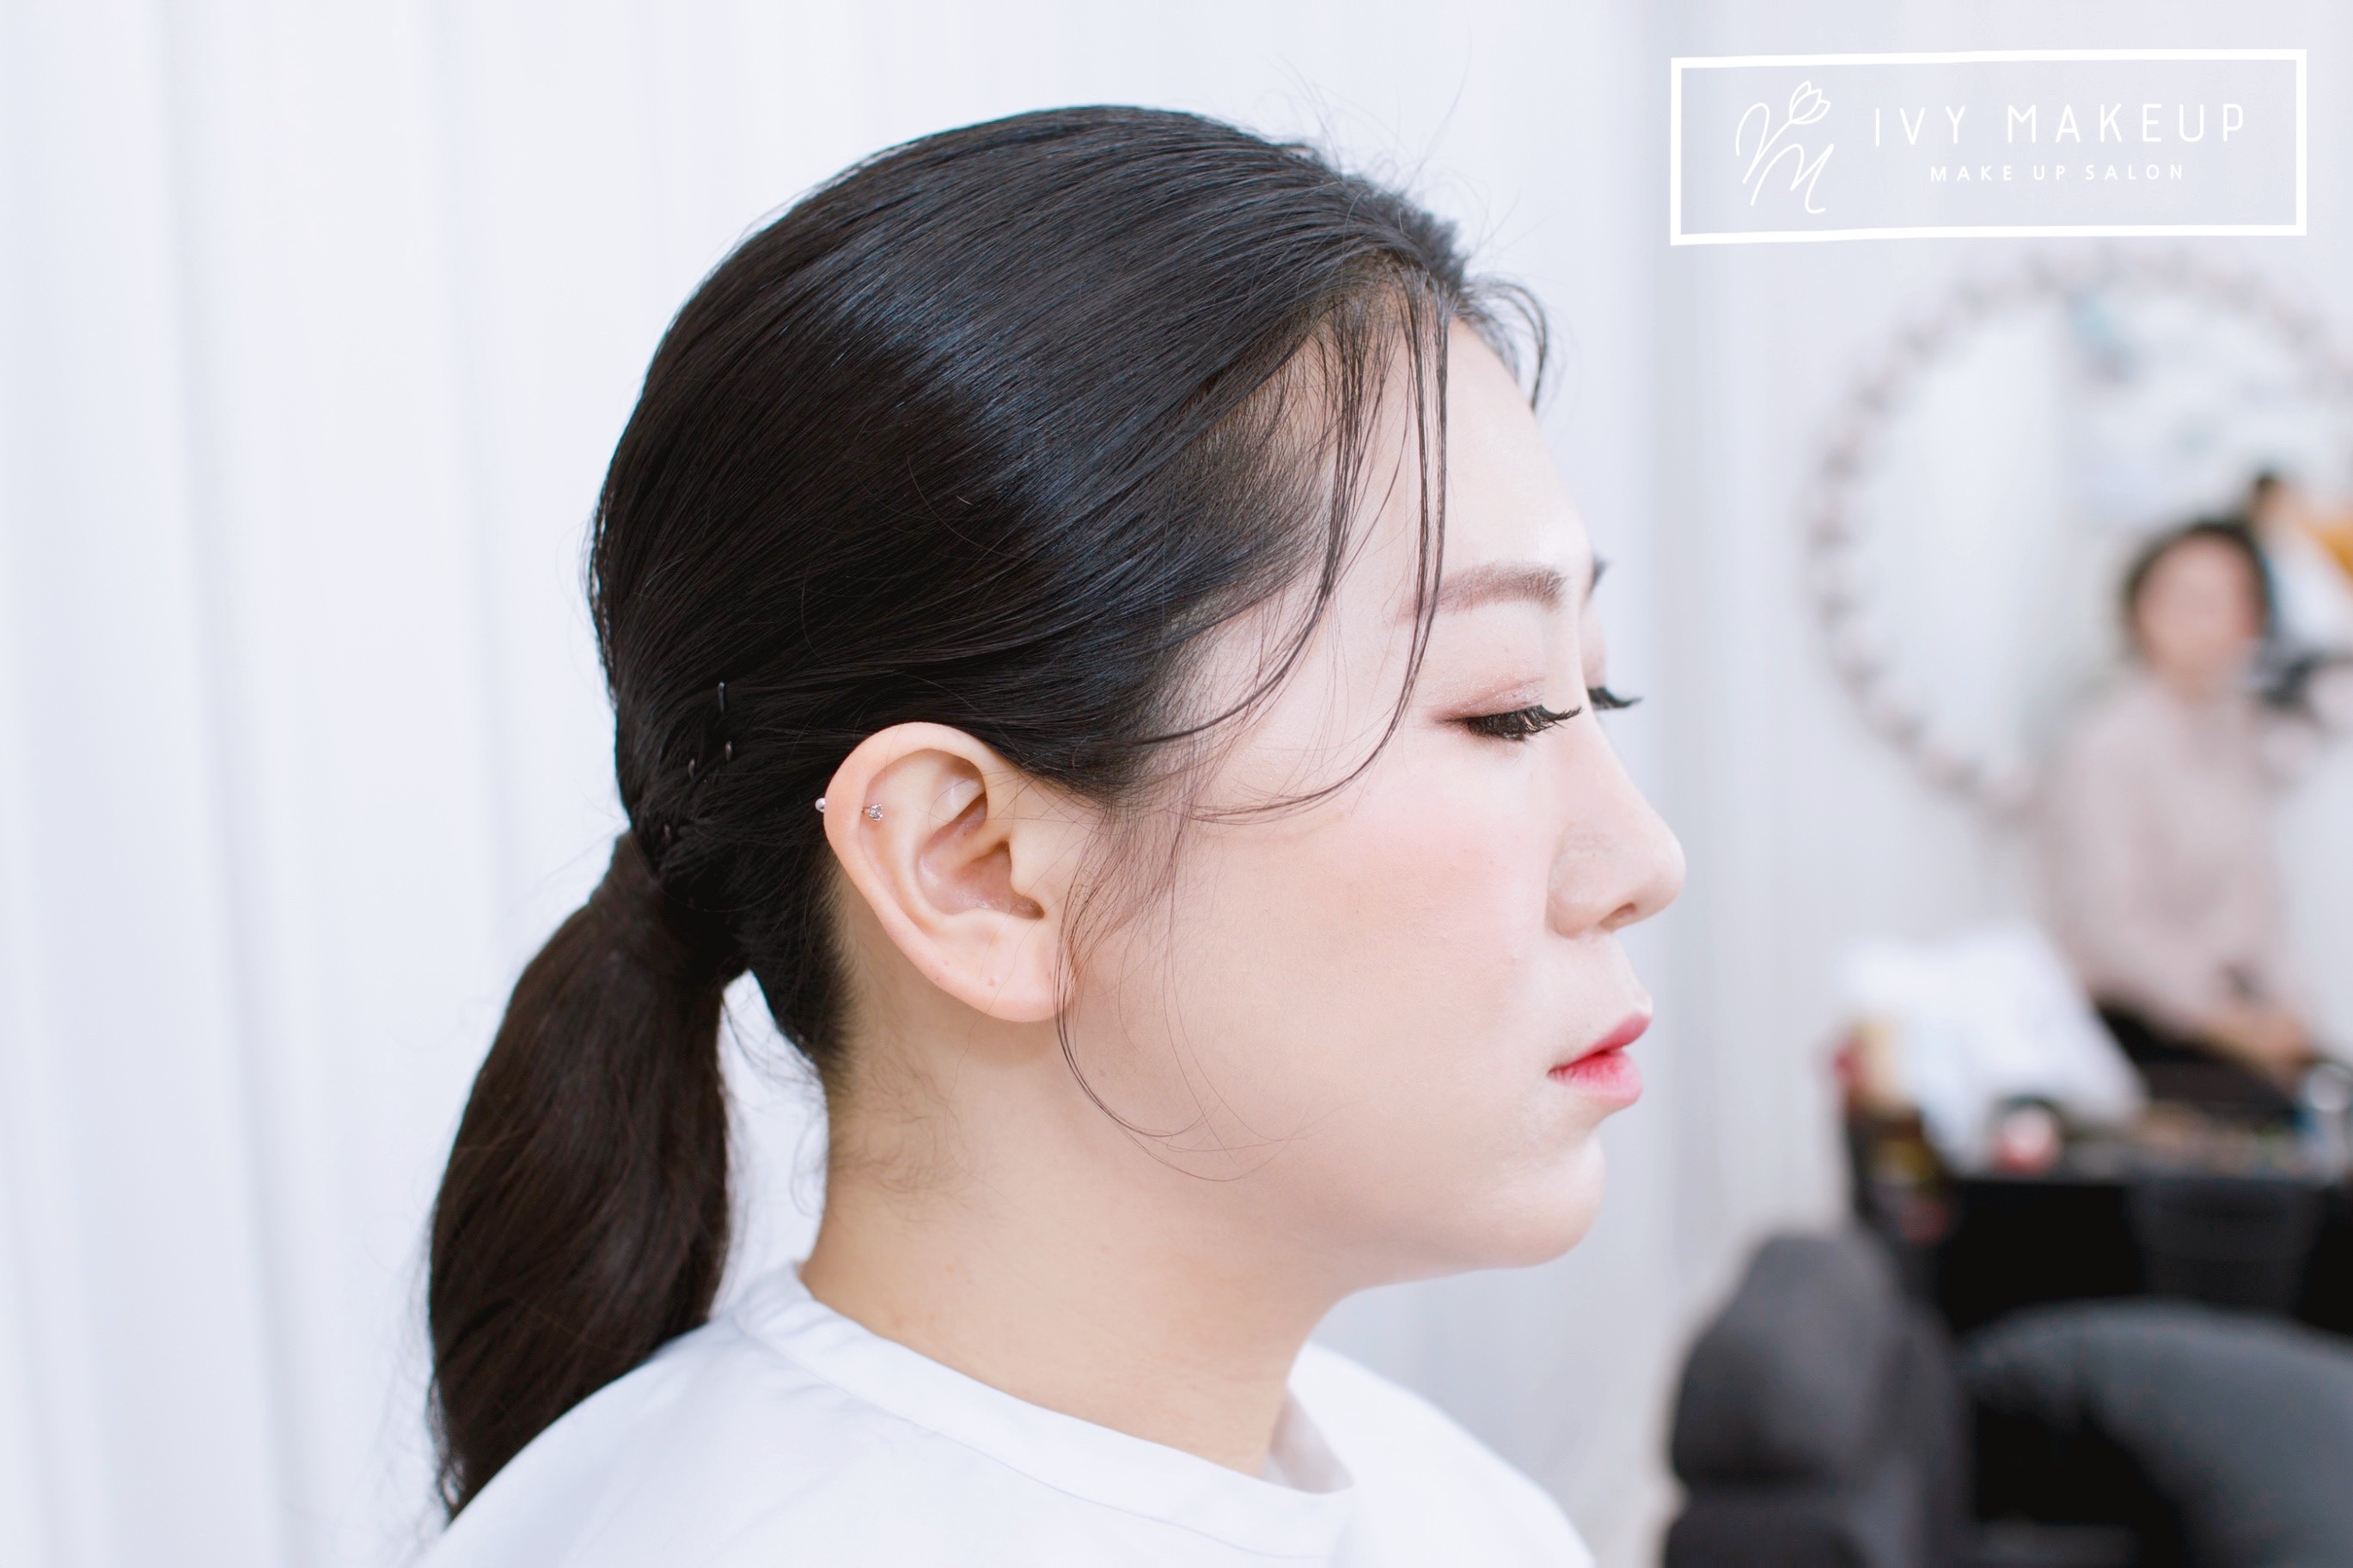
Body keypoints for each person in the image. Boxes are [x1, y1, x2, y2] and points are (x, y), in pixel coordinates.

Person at [420, 107, 1683, 1566]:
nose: (1641, 861)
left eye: (1594, 693)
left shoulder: (1463, 1512)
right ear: (974, 867)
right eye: (1501, 711)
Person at [2039, 519, 2331, 1113]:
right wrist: (2234, 1026)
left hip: (2240, 1013)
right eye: (2184, 599)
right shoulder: (2109, 744)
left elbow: (2256, 905)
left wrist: (2291, 1015)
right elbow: (2115, 926)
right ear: (2138, 611)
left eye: (2226, 602)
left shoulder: (2237, 728)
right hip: (2139, 1025)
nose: (2203, 621)